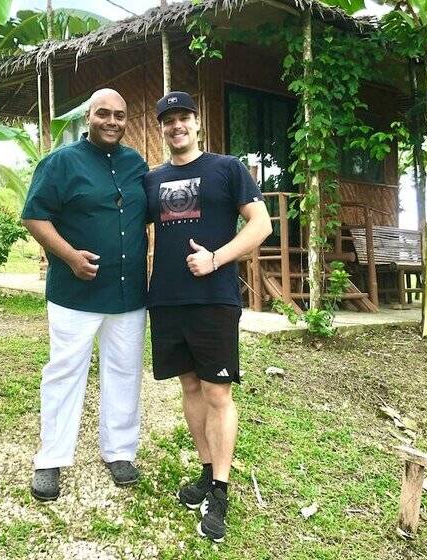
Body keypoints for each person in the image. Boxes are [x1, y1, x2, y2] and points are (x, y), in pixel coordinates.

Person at [144, 91, 272, 541]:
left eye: (184, 117)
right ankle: (204, 470)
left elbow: (261, 224)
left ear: (197, 123)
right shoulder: (152, 180)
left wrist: (216, 259)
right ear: (162, 129)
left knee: (217, 391)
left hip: (214, 298)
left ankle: (220, 489)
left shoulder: (227, 168)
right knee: (190, 386)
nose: (176, 125)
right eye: (168, 120)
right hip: (167, 299)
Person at [22, 88, 149, 501]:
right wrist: (70, 257)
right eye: (103, 114)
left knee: (125, 371)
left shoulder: (135, 164)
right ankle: (51, 458)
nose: (112, 121)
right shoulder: (61, 162)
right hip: (75, 292)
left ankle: (119, 452)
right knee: (65, 372)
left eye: (119, 115)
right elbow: (34, 216)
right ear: (88, 117)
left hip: (129, 294)